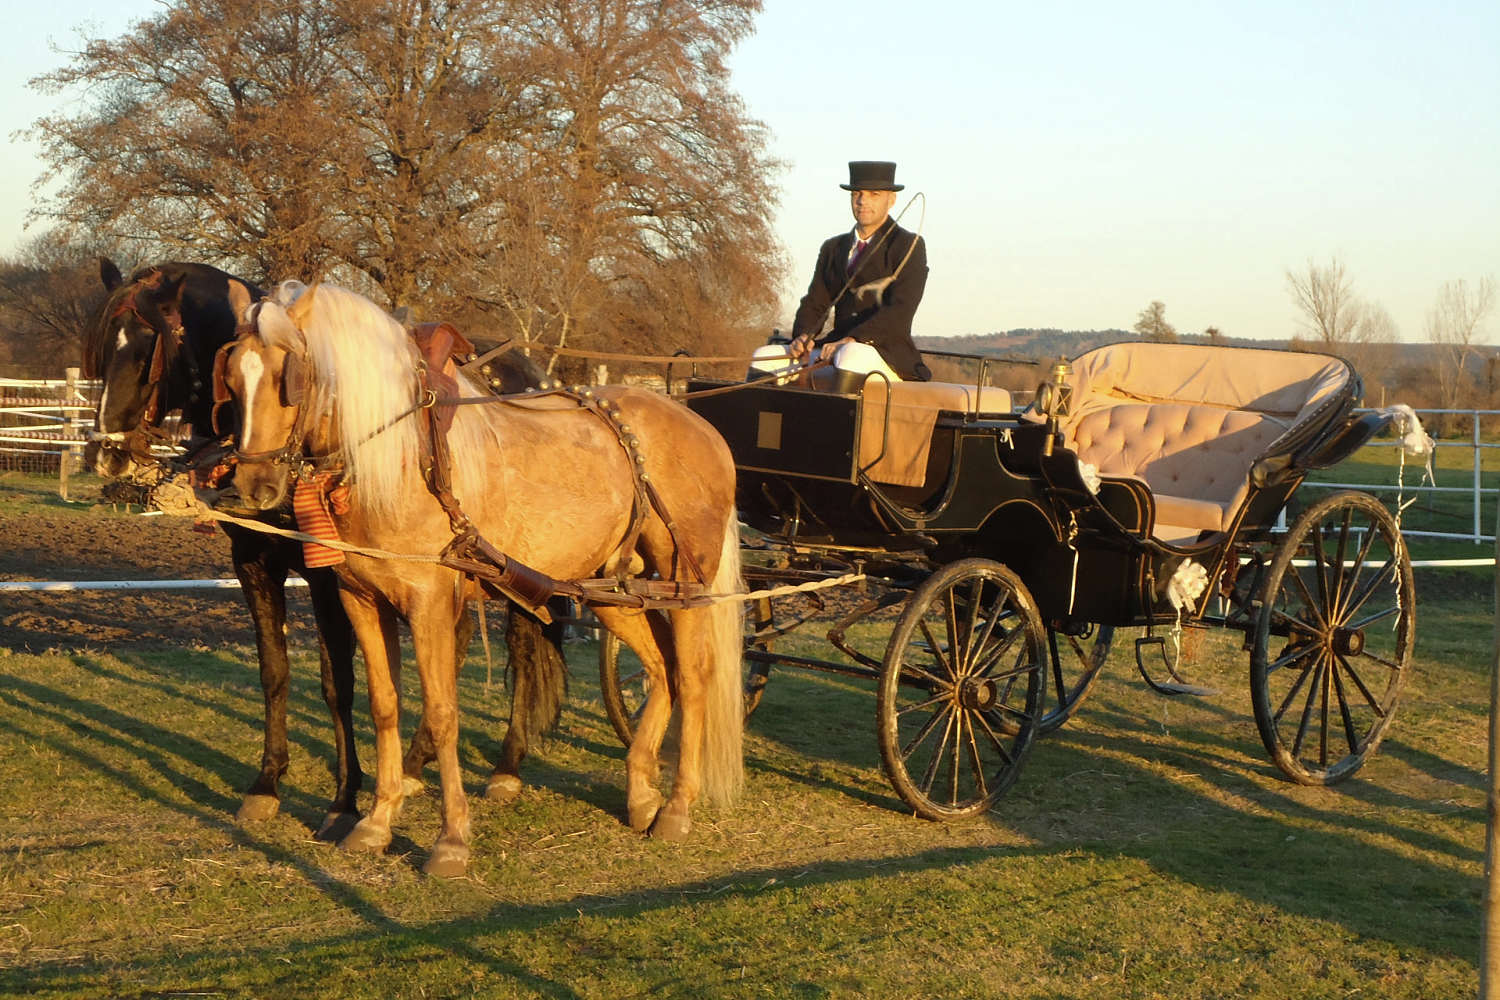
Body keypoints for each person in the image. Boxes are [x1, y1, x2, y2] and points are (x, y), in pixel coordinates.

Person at [753, 160, 930, 387]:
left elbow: (900, 311)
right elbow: (815, 302)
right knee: (765, 357)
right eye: (857, 193)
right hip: (834, 346)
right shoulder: (833, 248)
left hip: (883, 353)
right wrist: (804, 336)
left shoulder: (908, 245)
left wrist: (853, 339)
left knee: (850, 356)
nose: (862, 201)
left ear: (891, 200)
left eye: (873, 194)